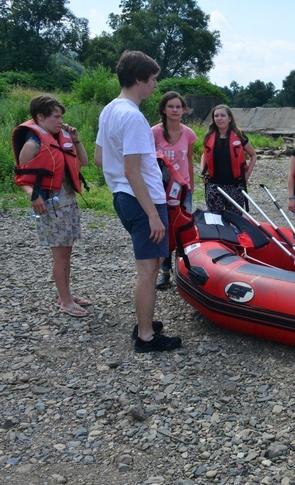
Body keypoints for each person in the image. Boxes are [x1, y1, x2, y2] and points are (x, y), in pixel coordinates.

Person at [95, 50, 182, 353]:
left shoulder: (109, 110)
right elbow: (133, 170)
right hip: (143, 200)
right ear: (138, 79)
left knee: (153, 262)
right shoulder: (132, 117)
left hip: (124, 196)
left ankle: (145, 322)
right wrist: (153, 215)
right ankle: (145, 336)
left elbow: (98, 158)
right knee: (148, 270)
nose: (155, 86)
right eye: (153, 80)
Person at [12, 94, 91, 318]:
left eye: (61, 116)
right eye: (56, 116)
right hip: (51, 205)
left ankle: (65, 294)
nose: (60, 121)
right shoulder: (32, 143)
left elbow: (83, 161)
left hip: (68, 201)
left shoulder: (62, 137)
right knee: (61, 256)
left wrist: (75, 137)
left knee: (67, 252)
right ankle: (66, 302)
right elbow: (21, 178)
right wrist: (33, 196)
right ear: (40, 116)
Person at [151, 91, 198, 290]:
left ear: (183, 110)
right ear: (163, 109)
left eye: (178, 107)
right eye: (171, 106)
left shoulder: (188, 133)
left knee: (182, 228)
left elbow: (189, 160)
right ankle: (165, 272)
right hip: (161, 189)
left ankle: (184, 271)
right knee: (164, 230)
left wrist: (192, 186)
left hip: (182, 188)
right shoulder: (153, 132)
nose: (175, 110)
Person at [200, 104, 256, 214]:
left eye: (222, 115)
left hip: (235, 185)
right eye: (216, 116)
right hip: (214, 185)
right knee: (216, 220)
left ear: (229, 118)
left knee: (235, 220)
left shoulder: (239, 135)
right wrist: (202, 172)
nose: (219, 118)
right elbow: (204, 155)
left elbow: (253, 155)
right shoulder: (209, 136)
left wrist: (247, 174)